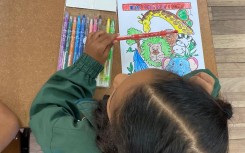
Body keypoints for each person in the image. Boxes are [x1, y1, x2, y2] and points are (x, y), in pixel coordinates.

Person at [30, 31, 233, 153]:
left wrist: (87, 67)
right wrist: (200, 105)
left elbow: (45, 108)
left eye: (118, 90)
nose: (118, 77)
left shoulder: (69, 139)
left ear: (114, 132)